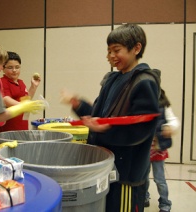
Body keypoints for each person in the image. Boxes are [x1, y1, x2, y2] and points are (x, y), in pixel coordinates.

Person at [61, 24, 161, 212]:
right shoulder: (112, 79)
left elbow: (140, 130)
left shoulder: (144, 81)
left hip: (126, 173)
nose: (111, 56)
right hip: (107, 165)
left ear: (136, 48)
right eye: (109, 51)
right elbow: (99, 116)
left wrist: (105, 130)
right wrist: (78, 104)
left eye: (117, 50)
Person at [145, 89, 179, 212]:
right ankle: (145, 196)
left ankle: (165, 203)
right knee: (143, 177)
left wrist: (169, 127)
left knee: (159, 179)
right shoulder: (142, 105)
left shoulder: (164, 106)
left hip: (157, 150)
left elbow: (174, 121)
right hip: (144, 150)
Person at [0, 51, 41, 133]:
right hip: (8, 128)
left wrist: (33, 86)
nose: (14, 70)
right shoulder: (2, 82)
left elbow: (26, 100)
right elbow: (6, 100)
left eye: (17, 67)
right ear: (3, 68)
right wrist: (24, 106)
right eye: (10, 67)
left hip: (22, 125)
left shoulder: (21, 82)